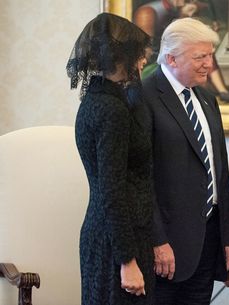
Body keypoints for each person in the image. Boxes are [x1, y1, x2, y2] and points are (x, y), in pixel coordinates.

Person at [135, 17, 229, 305]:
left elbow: (219, 172)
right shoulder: (144, 96)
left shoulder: (207, 99)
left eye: (210, 56)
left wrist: (226, 239)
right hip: (165, 245)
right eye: (200, 57)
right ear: (171, 58)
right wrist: (157, 240)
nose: (209, 64)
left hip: (207, 241)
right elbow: (141, 177)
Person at [66, 13, 154, 305]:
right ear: (121, 56)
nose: (143, 62)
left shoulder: (97, 99)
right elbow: (112, 190)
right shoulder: (111, 110)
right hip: (116, 240)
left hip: (107, 233)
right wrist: (127, 260)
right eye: (139, 56)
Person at [133, 0, 229, 105]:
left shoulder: (176, 9)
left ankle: (222, 91)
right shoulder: (147, 12)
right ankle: (221, 90)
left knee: (200, 46)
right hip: (154, 65)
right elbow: (145, 50)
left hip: (173, 59)